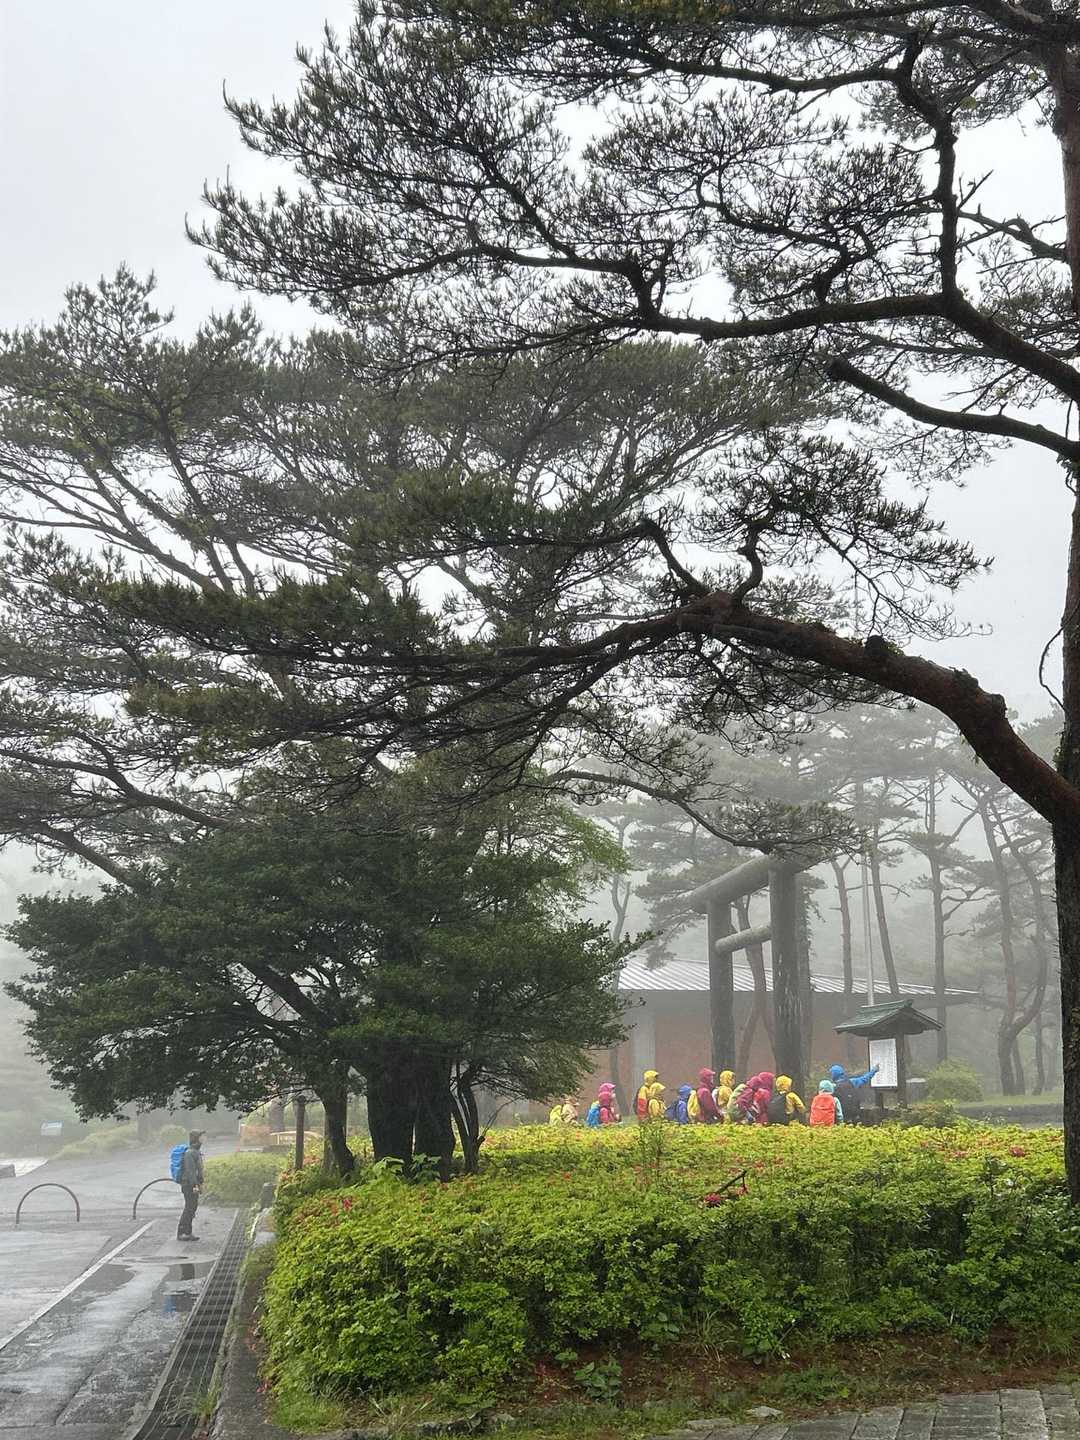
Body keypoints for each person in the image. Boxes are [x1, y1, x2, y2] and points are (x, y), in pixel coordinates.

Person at [177, 1130, 204, 1242]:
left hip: (193, 1184)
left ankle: (188, 1232)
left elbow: (198, 1170)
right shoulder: (189, 1153)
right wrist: (195, 1185)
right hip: (189, 1185)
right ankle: (181, 1232)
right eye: (201, 1137)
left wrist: (200, 1182)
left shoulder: (196, 1151)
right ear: (196, 1138)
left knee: (193, 1207)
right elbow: (190, 1172)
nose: (203, 1139)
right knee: (189, 1207)